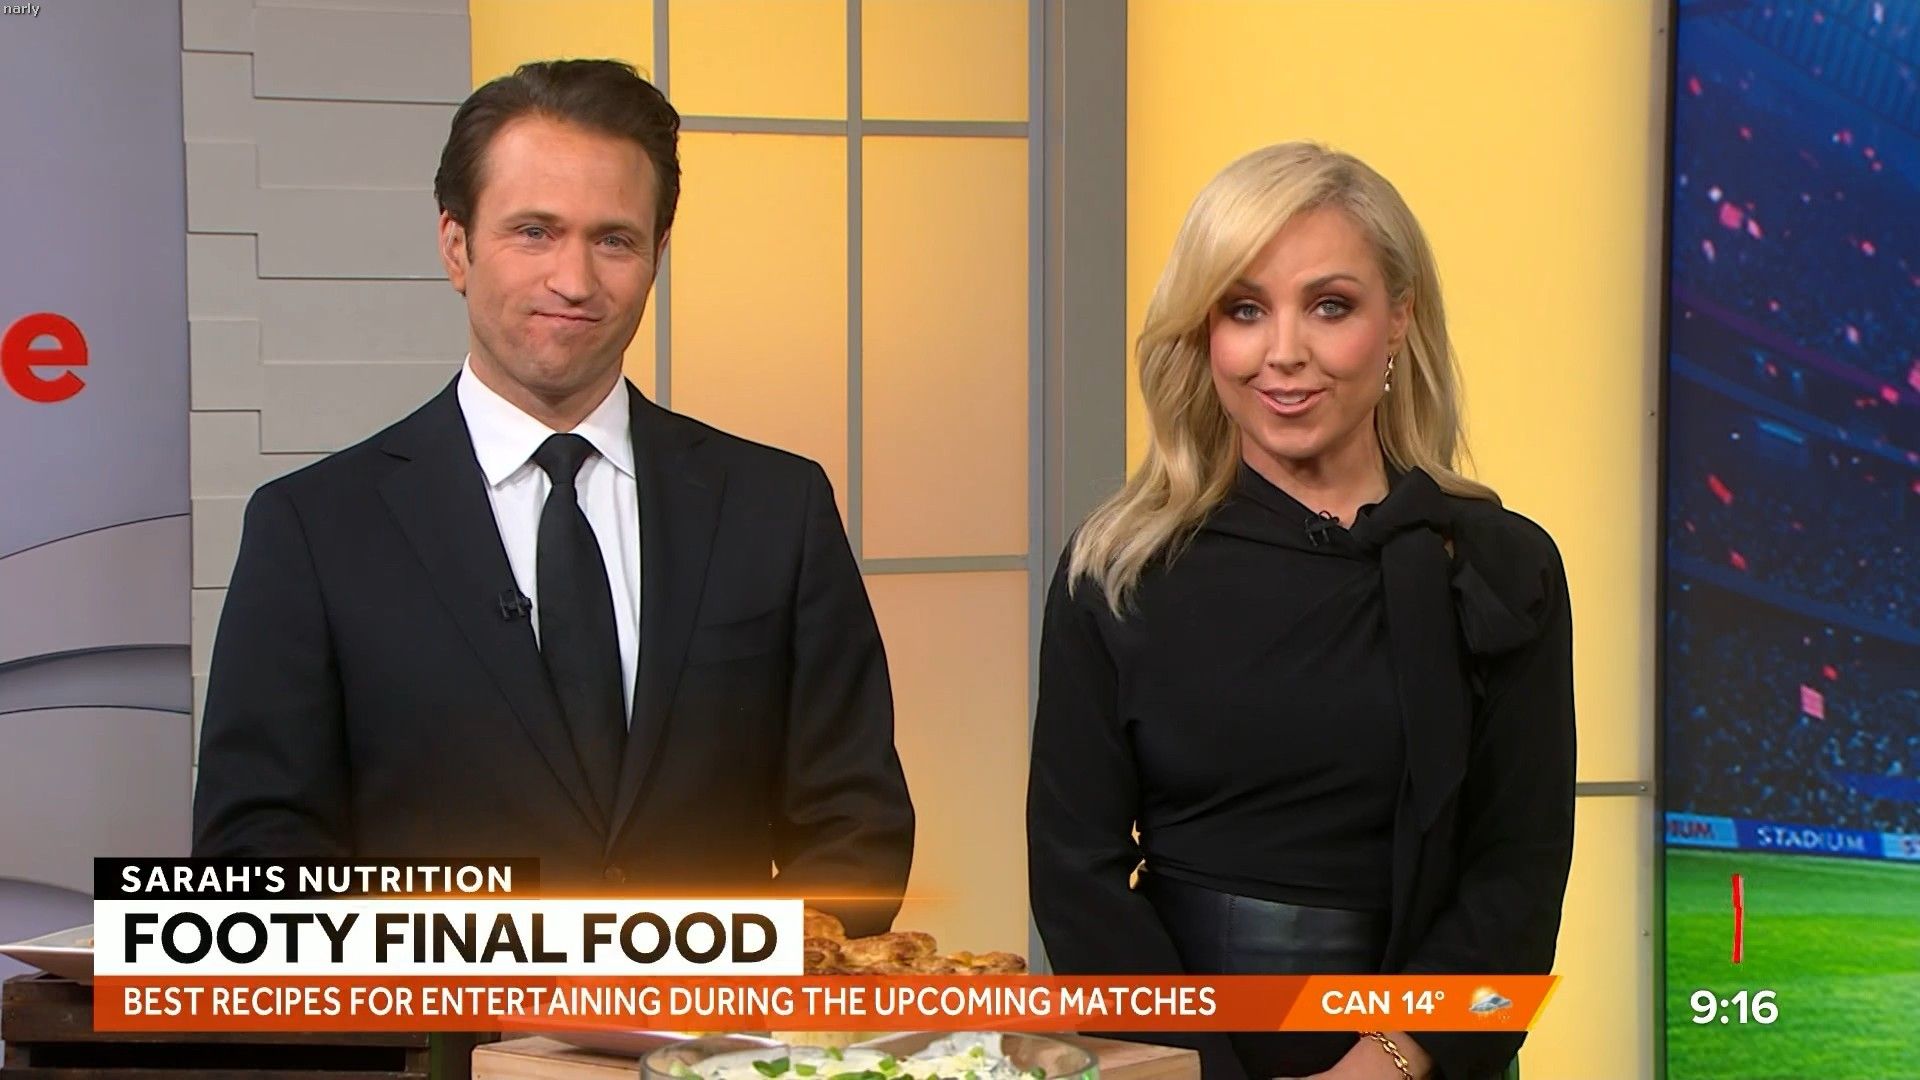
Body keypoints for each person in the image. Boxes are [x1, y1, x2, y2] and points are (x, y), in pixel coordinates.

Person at [193, 59, 914, 936]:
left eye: (614, 240)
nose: (574, 280)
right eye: (534, 232)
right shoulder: (314, 529)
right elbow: (254, 859)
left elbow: (854, 824)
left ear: (656, 256)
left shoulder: (776, 507)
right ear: (455, 246)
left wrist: (739, 989)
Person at [1027, 142, 1575, 1079]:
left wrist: (1393, 1059)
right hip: (1181, 1050)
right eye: (1244, 310)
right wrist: (1197, 1071)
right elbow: (1075, 875)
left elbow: (1517, 872)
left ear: (1398, 319)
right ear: (1205, 332)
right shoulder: (1118, 569)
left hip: (1432, 1053)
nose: (1284, 353)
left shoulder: (1503, 565)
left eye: (1330, 306)